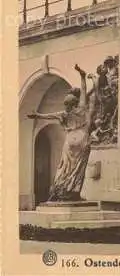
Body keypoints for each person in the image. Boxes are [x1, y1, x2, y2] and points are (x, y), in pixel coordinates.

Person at [27, 64, 95, 201]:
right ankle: (73, 191)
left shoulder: (64, 114)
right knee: (77, 168)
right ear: (75, 103)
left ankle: (60, 190)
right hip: (82, 138)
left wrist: (36, 115)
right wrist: (82, 75)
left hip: (70, 139)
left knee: (64, 166)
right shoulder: (81, 109)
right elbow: (83, 90)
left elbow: (48, 116)